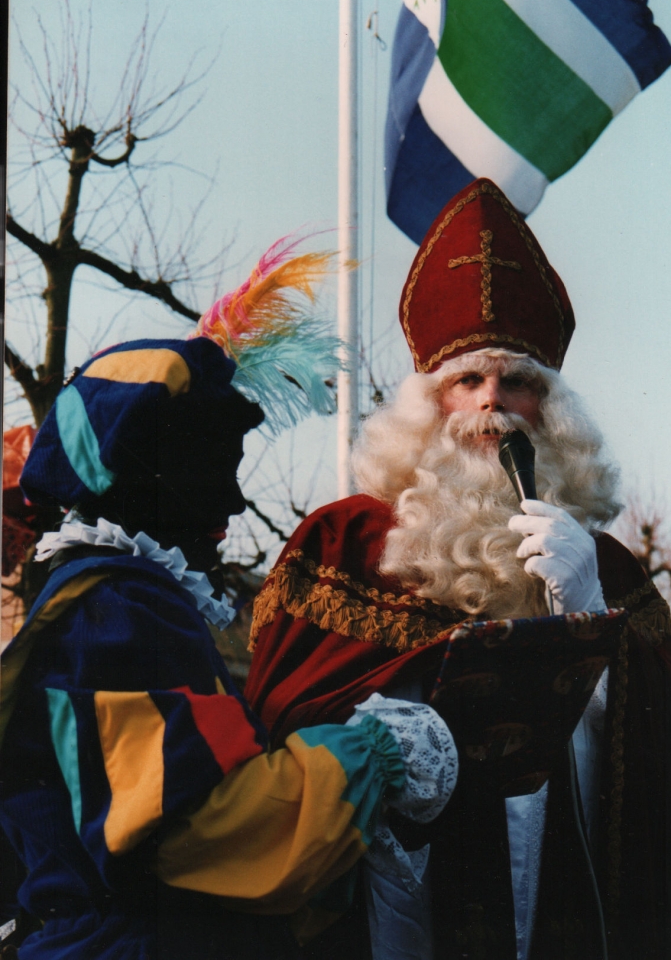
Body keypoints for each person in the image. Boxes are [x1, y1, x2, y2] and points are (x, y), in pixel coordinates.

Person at [245, 179, 671, 960]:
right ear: (429, 405)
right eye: (468, 380)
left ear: (550, 412)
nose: (492, 403)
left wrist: (597, 633)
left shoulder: (614, 568)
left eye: (518, 381)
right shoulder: (342, 545)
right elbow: (281, 721)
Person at [0, 244, 458, 959]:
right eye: (212, 469)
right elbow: (208, 828)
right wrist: (374, 752)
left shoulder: (117, 598)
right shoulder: (114, 612)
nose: (235, 499)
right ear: (140, 477)